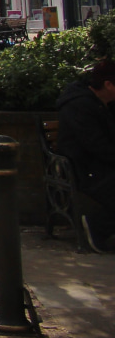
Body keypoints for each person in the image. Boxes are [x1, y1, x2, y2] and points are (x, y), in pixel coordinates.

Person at [56, 60, 115, 251]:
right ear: (108, 85)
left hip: (98, 165)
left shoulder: (102, 103)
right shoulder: (81, 106)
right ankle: (98, 226)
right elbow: (96, 146)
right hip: (84, 169)